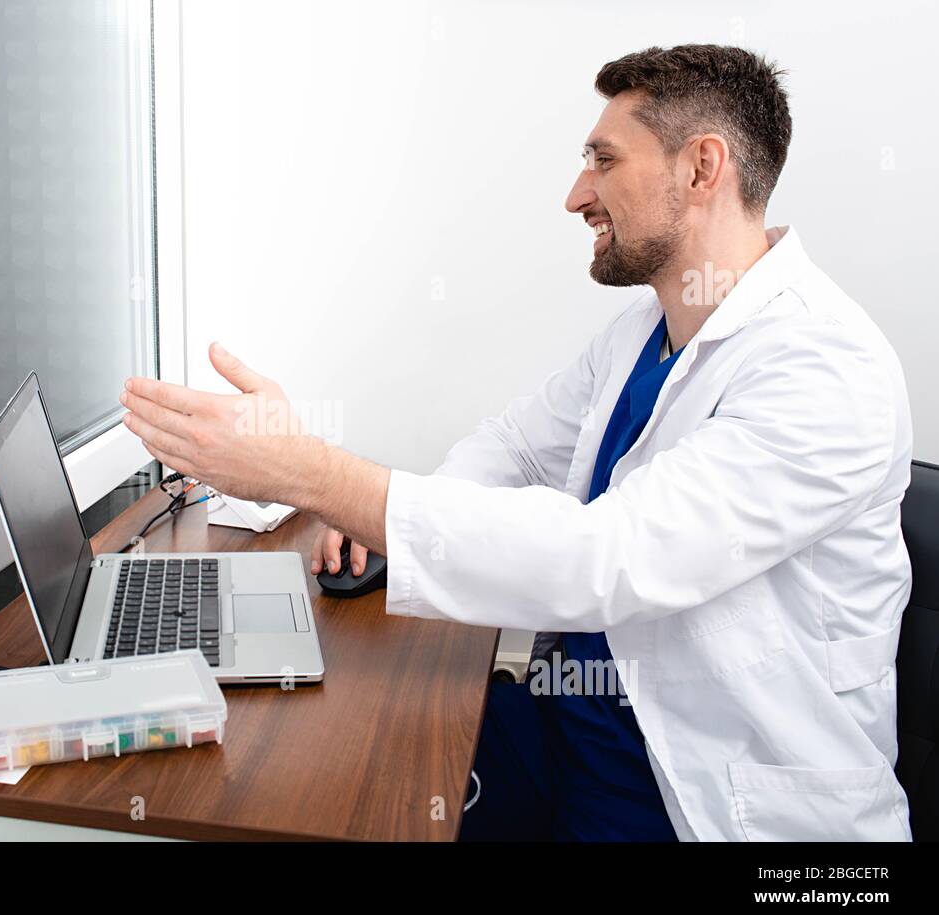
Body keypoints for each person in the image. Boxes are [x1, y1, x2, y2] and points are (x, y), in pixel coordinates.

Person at [115, 45, 913, 841]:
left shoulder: (826, 368)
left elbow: (607, 558)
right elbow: (515, 450)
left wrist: (316, 475)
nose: (576, 195)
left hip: (709, 802)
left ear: (703, 168)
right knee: (342, 780)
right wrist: (367, 514)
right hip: (576, 729)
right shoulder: (643, 333)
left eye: (603, 161)